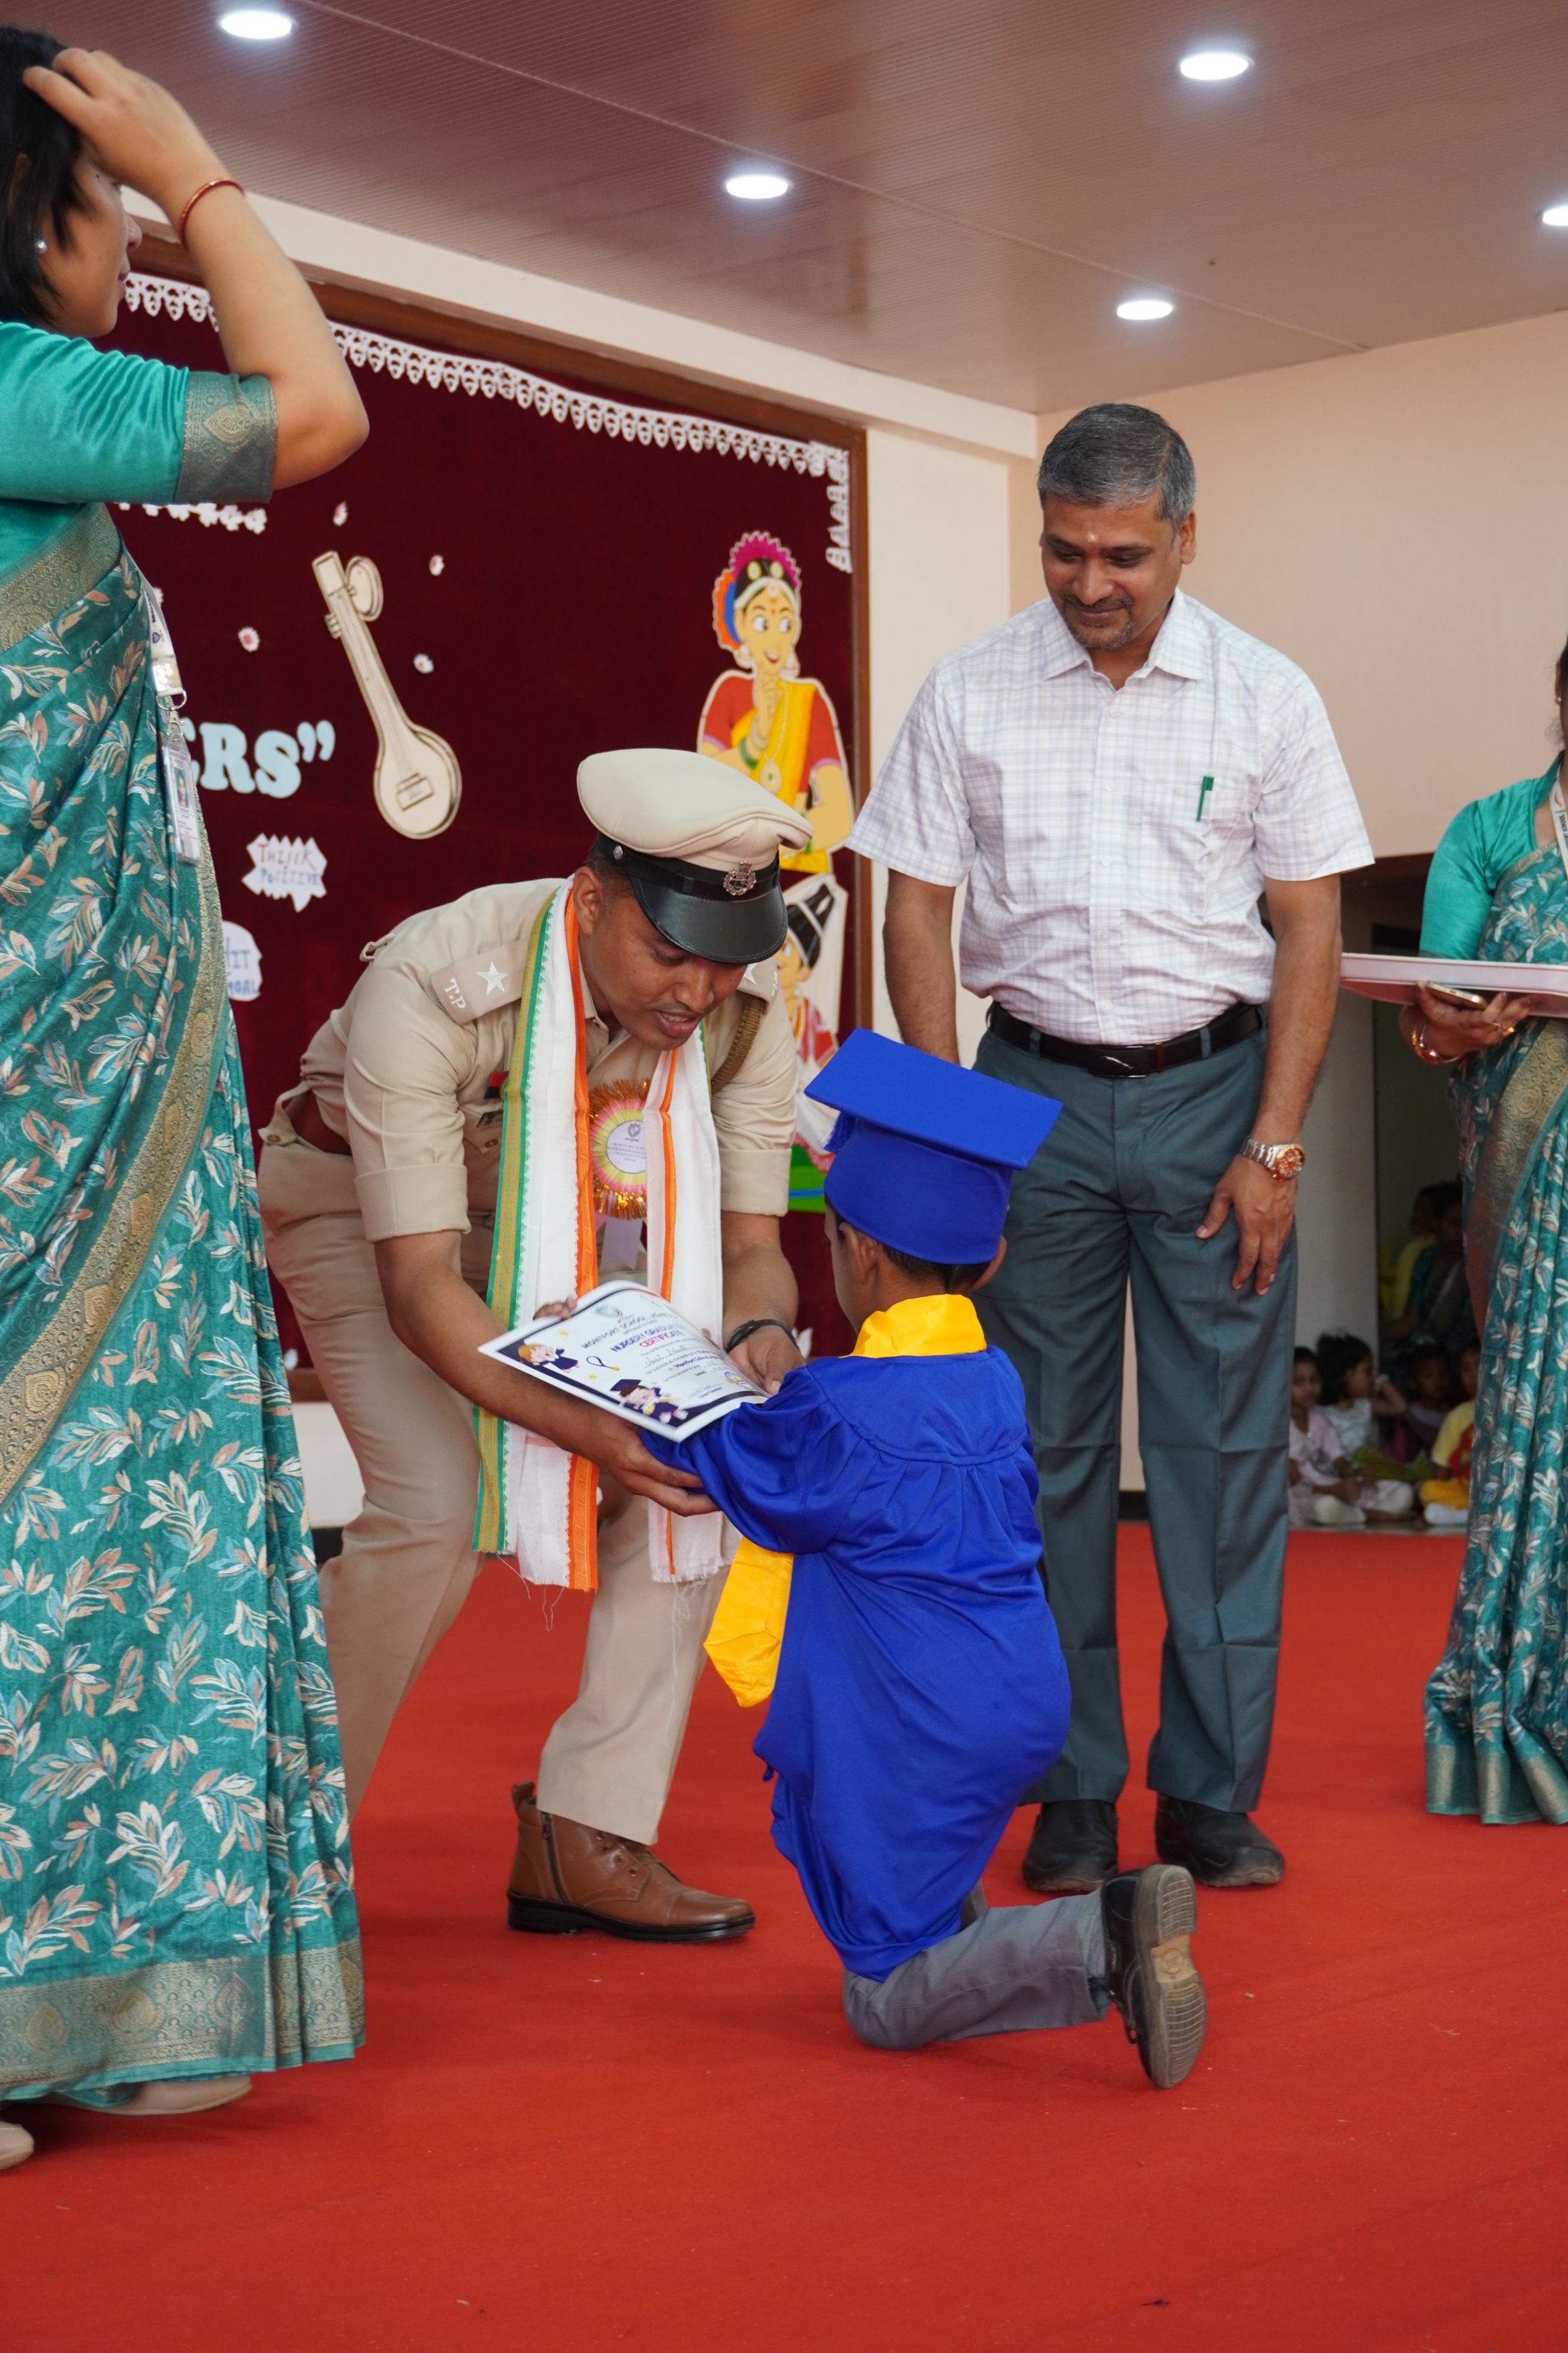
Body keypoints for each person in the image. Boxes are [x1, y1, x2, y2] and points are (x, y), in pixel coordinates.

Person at [0, 38, 368, 2174]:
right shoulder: (11, 384)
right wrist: (204, 169)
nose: (124, 250)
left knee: (74, 1525)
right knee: (68, 1522)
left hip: (66, 1090)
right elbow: (310, 413)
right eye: (101, 212)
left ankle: (86, 1992)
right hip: (57, 1115)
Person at [850, 402, 1373, 1895]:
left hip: (1217, 1099)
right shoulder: (969, 688)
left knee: (1220, 1460)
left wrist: (1276, 1145)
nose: (1092, 583)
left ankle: (1207, 1792)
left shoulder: (1266, 695)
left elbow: (1310, 926)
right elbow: (914, 910)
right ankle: (1071, 1787)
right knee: (1042, 1460)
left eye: (1124, 556)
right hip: (1031, 1099)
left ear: (1185, 538)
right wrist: (954, 1140)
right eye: (1065, 551)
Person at [259, 752, 808, 1941]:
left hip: (590, 1239)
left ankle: (587, 1833)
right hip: (371, 1219)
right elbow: (420, 1283)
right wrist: (584, 1427)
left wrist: (757, 1337)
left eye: (724, 956)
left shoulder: (745, 1011)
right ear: (596, 900)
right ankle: (274, 1844)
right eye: (670, 951)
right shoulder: (439, 979)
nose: (698, 990)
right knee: (436, 1503)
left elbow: (751, 1244)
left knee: (694, 1464)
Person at [648, 1030, 1208, 2085]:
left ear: (857, 1251)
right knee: (921, 1872)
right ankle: (970, 1922)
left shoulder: (839, 1408)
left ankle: (1102, 1933)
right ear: (987, 1260)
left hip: (918, 1718)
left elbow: (727, 1457)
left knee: (884, 1994)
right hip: (1020, 1696)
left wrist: (604, 1364)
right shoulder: (993, 1377)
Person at [1407, 626, 1568, 1823]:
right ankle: (1523, 1700)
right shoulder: (1492, 830)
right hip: (1530, 1177)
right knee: (1537, 1417)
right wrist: (1448, 1027)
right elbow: (1431, 1008)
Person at [698, 532, 854, 874]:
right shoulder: (729, 692)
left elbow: (840, 816)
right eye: (761, 622)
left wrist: (781, 848)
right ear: (740, 623)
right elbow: (705, 792)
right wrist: (754, 743)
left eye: (785, 622)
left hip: (797, 873)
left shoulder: (810, 702)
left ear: (796, 628)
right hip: (728, 870)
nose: (775, 638)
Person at [1287, 1349, 1413, 1528]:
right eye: (1299, 1382)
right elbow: (1296, 1482)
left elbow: (1340, 1463)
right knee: (1326, 1507)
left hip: (1331, 1484)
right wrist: (1333, 1491)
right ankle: (1373, 1516)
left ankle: (1357, 1514)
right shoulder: (1279, 1427)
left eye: (1314, 1381)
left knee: (1402, 1493)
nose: (1309, 1388)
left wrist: (1357, 1473)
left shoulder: (1319, 1419)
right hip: (1305, 1495)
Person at [1382, 1183, 1475, 1376]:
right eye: (1454, 1224)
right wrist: (1371, 1333)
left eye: (1467, 1223)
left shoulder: (1478, 1265)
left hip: (1461, 1358)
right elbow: (1412, 1319)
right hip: (1422, 1353)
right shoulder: (1427, 1259)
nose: (1462, 1232)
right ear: (1435, 1224)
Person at [1315, 1331, 1422, 1488]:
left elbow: (1401, 1407)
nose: (1373, 1377)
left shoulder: (1365, 1405)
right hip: (1336, 1478)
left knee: (1403, 1488)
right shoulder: (1320, 1413)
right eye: (1368, 1371)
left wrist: (1381, 1379)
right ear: (1347, 1375)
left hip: (1366, 1475)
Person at [1420, 1343, 1479, 1529]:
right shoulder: (1458, 1416)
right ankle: (1473, 1516)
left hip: (1499, 1490)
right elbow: (1442, 1468)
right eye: (1466, 1370)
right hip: (1466, 1490)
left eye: (1480, 1366)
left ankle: (1470, 1515)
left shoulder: (1513, 1410)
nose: (1473, 1376)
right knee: (1428, 1490)